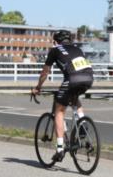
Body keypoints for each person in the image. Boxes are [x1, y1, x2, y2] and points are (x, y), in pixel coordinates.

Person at [31, 30, 94, 161]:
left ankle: (59, 148)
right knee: (75, 98)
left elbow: (45, 73)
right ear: (70, 40)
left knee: (59, 111)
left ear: (55, 41)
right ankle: (82, 123)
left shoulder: (55, 50)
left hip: (72, 79)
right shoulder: (78, 49)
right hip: (88, 78)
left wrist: (38, 88)